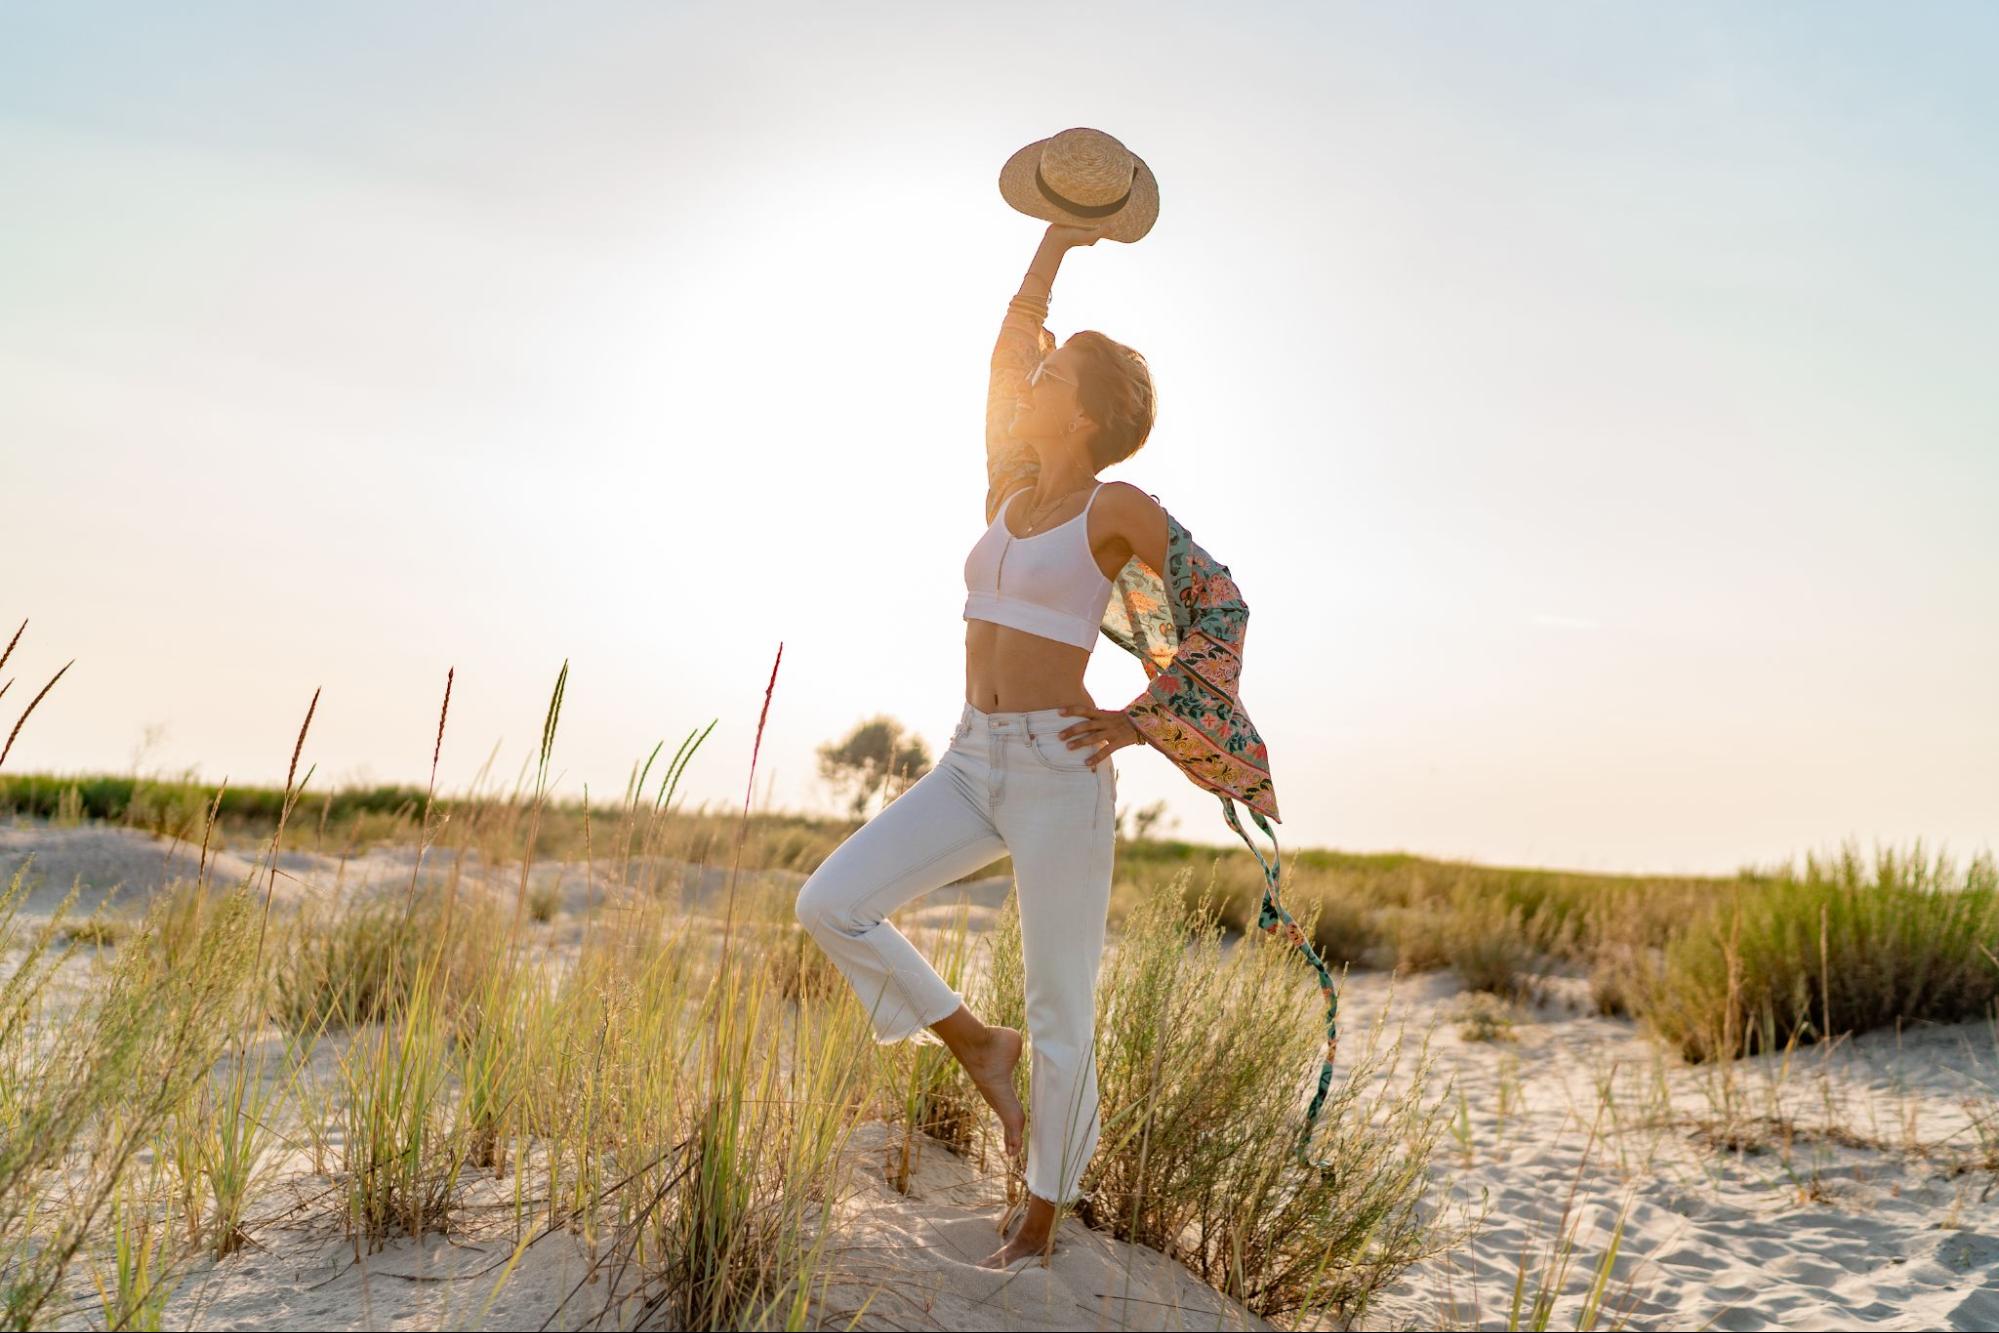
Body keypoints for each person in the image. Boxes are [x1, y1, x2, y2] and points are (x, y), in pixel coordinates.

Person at [795, 214, 1167, 1270]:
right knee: (829, 902)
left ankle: (1042, 1217)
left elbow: (1218, 613)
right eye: (1040, 369)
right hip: (970, 759)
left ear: (1089, 414)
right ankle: (973, 1043)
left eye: (1057, 375)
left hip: (1059, 771)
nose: (1035, 376)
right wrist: (1055, 242)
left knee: (1060, 1001)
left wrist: (1140, 719)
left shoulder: (1117, 507)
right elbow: (1009, 343)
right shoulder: (1008, 487)